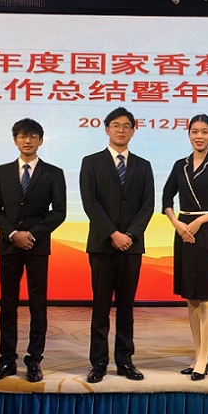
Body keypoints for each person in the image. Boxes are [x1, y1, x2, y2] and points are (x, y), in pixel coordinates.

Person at [0, 118, 67, 383]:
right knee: (7, 304)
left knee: (37, 304)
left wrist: (31, 235)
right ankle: (6, 360)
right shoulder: (1, 172)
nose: (27, 140)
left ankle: (34, 360)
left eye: (32, 136)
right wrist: (13, 234)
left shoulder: (53, 173)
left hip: (36, 246)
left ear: (40, 140)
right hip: (8, 246)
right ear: (15, 140)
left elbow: (59, 211)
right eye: (22, 136)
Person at [79, 107, 155, 383]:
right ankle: (98, 362)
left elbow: (148, 205)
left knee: (126, 307)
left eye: (126, 126)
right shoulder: (91, 162)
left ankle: (125, 361)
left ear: (133, 130)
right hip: (102, 246)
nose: (121, 130)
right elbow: (90, 203)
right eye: (115, 125)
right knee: (100, 307)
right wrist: (112, 233)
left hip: (131, 248)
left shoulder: (143, 165)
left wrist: (130, 235)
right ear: (106, 129)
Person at [162, 114, 208, 381]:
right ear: (189, 134)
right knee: (190, 297)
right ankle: (198, 354)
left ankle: (204, 357)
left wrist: (200, 221)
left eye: (204, 132)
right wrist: (177, 224)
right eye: (195, 131)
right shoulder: (179, 165)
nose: (199, 136)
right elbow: (166, 198)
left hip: (206, 231)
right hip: (183, 232)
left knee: (205, 296)